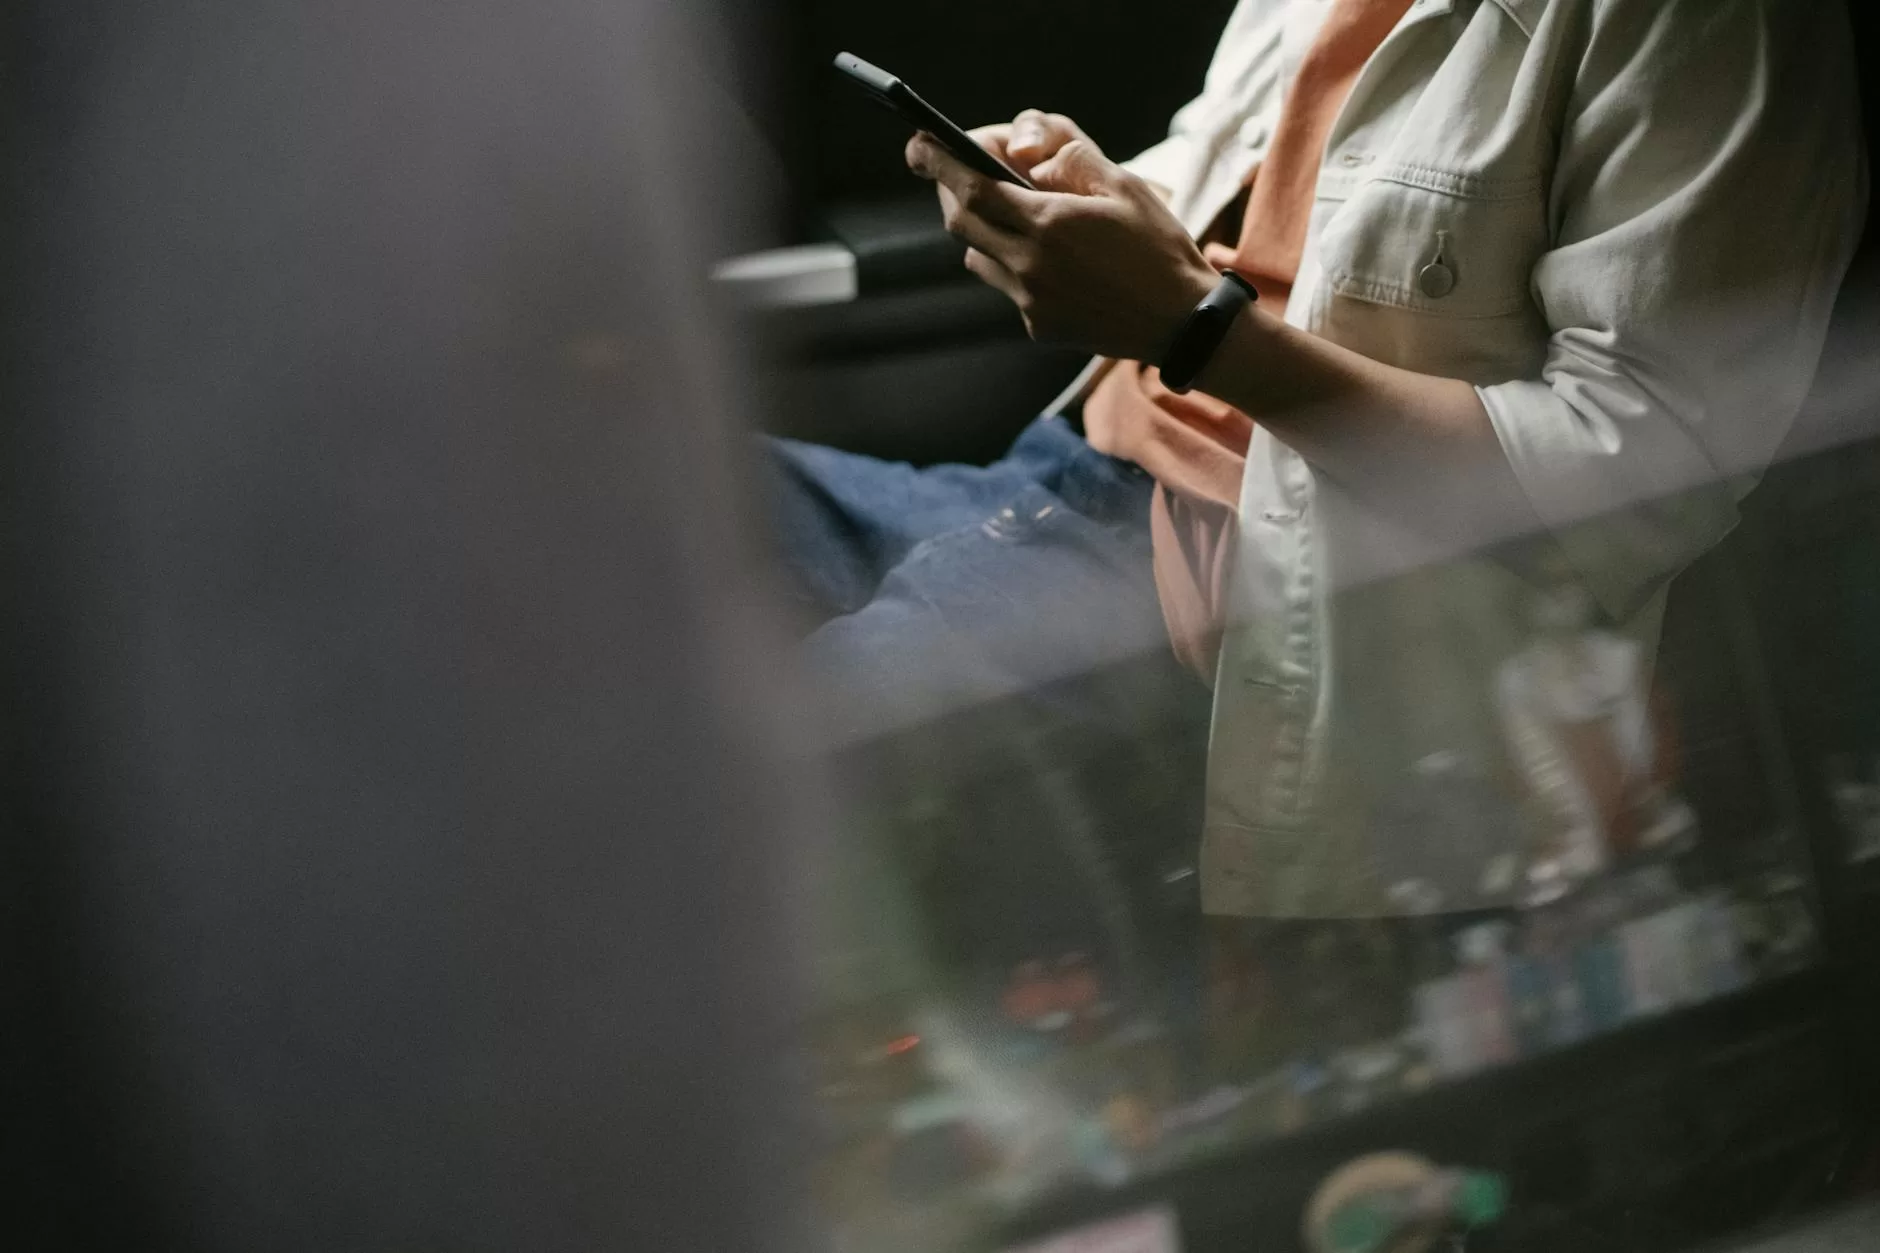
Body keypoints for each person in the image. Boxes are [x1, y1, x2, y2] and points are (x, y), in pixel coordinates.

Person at [771, 0, 1867, 982]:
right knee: (624, 523)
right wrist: (1077, 198)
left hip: (1219, 600)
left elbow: (1634, 482)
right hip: (1060, 474)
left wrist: (1190, 328)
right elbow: (1240, 195)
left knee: (726, 781)